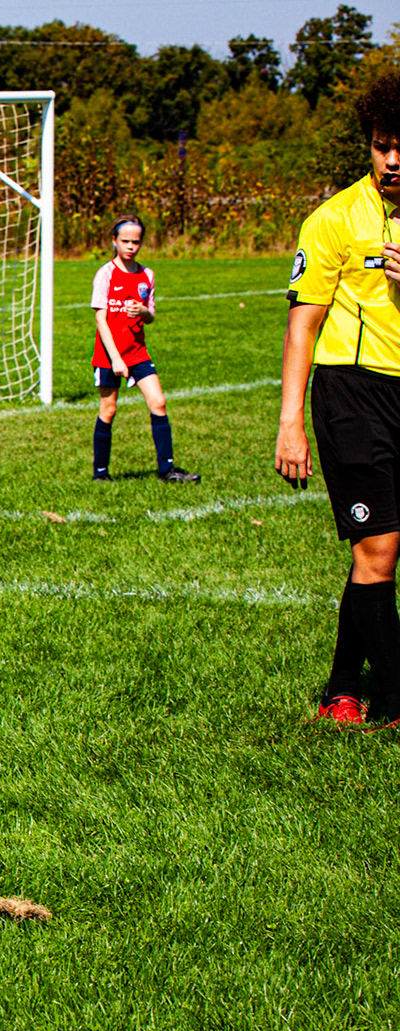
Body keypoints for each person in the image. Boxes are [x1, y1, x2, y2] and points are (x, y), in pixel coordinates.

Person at [275, 68, 400, 727]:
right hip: (352, 394)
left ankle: (343, 688)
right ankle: (395, 701)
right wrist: (290, 421)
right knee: (377, 548)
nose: (393, 159)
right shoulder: (332, 220)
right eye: (382, 145)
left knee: (381, 552)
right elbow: (303, 325)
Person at [90, 217, 199, 482]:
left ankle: (167, 470)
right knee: (109, 409)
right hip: (109, 355)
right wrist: (116, 359)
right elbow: (100, 320)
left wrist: (143, 311)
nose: (130, 246)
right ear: (114, 241)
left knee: (158, 402)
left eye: (136, 242)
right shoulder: (106, 274)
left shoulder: (146, 275)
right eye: (125, 241)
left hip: (137, 352)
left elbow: (151, 316)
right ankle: (100, 473)